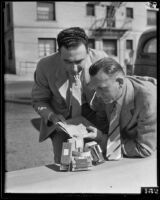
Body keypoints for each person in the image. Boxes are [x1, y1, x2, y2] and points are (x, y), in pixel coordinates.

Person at [31, 27, 108, 164]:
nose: (74, 68)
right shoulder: (44, 66)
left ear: (88, 51)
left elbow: (114, 93)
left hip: (94, 116)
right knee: (65, 164)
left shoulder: (101, 60)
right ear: (59, 53)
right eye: (67, 61)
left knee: (98, 161)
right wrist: (52, 116)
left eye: (79, 61)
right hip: (61, 120)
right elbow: (39, 100)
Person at [85, 57, 156, 159]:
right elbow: (102, 124)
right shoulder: (102, 92)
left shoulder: (147, 99)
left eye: (102, 88)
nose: (98, 95)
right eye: (95, 89)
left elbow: (144, 148)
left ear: (120, 82)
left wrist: (106, 144)